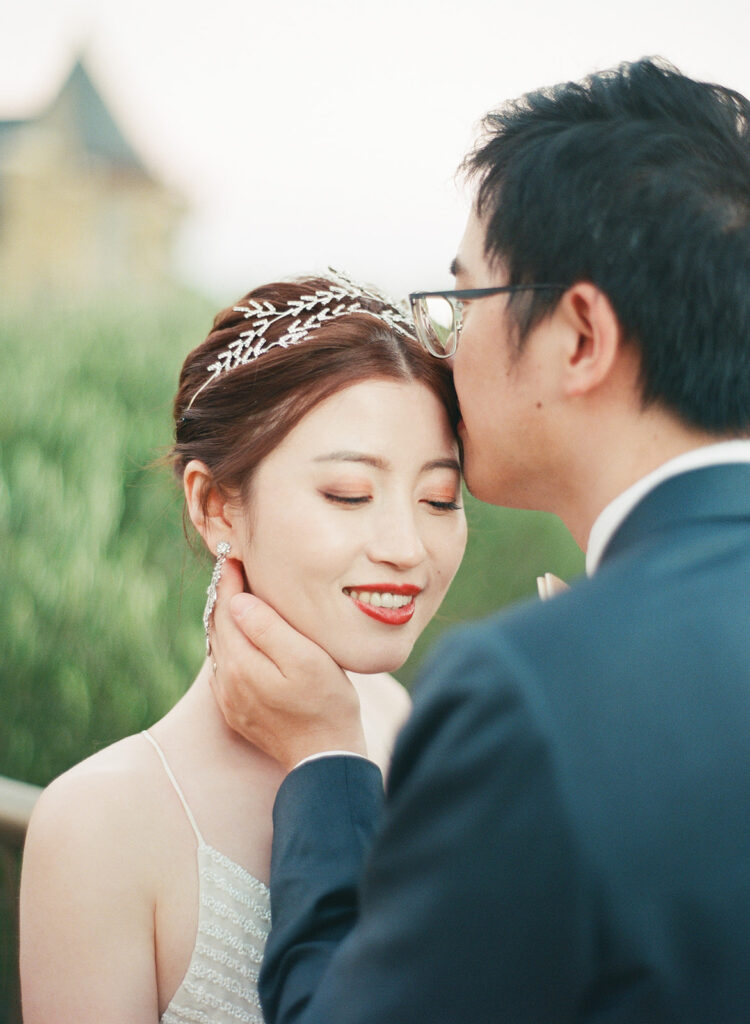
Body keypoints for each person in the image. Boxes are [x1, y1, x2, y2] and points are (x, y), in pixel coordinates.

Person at [206, 58, 750, 1022]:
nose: (446, 353)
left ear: (579, 336)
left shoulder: (536, 691)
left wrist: (324, 761)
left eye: (462, 306)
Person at [18, 272, 468, 1024]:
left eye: (440, 500)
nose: (407, 547)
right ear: (215, 505)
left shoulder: (397, 721)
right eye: (349, 494)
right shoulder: (98, 821)